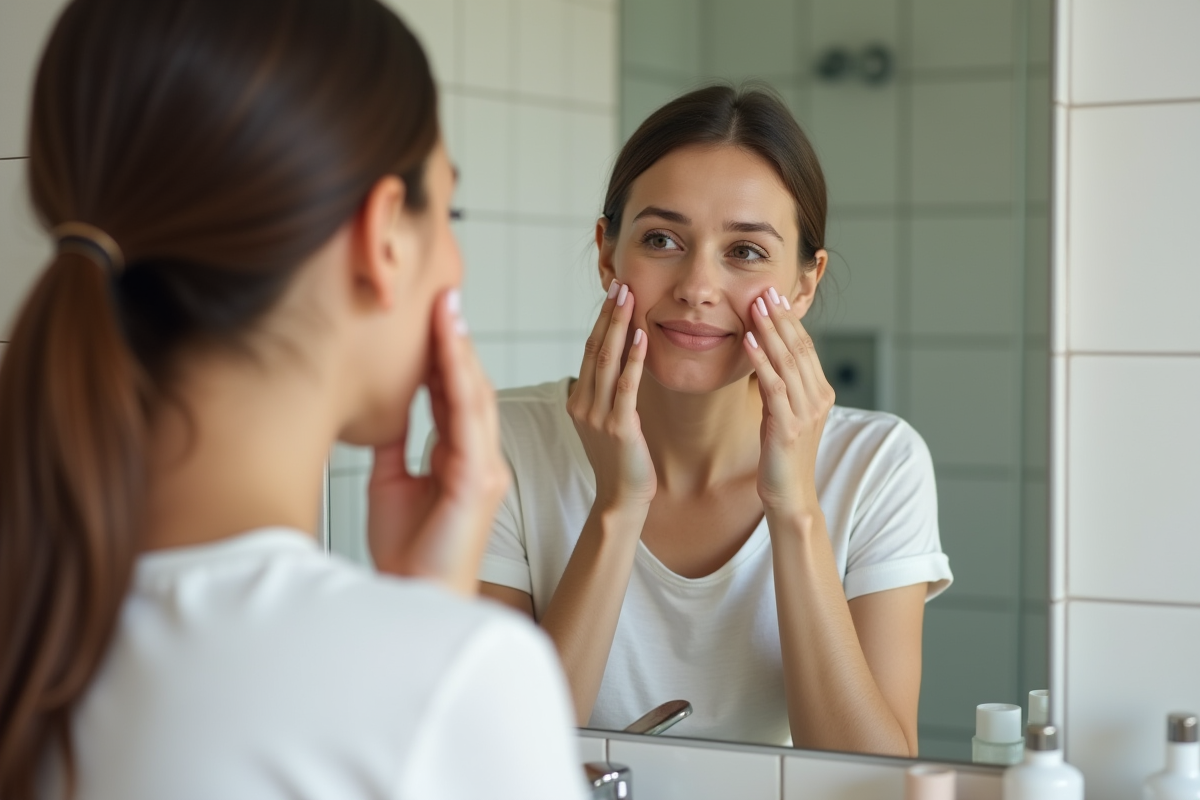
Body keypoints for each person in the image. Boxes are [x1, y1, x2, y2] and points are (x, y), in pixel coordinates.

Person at [0, 1, 586, 798]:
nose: (453, 263)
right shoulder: (461, 678)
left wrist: (423, 625)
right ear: (384, 236)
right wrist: (431, 636)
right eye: (445, 213)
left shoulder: (35, 630)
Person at [478, 86, 953, 756]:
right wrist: (618, 505)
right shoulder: (502, 444)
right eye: (662, 239)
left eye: (746, 252)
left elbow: (873, 785)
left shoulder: (879, 465)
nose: (697, 286)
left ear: (805, 284)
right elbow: (497, 760)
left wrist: (794, 510)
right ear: (607, 253)